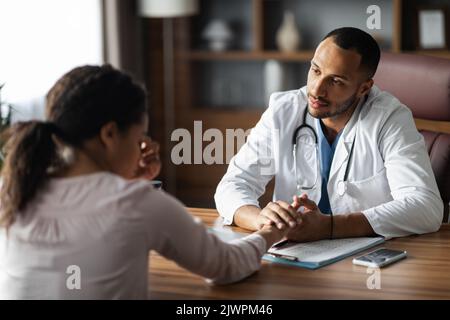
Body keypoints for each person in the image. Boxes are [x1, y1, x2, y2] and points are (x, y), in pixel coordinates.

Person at [0, 65, 292, 299]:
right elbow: (224, 266)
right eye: (139, 137)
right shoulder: (137, 202)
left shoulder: (15, 185)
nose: (143, 146)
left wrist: (126, 177)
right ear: (109, 134)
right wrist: (270, 233)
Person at [215, 27, 443, 241]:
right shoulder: (284, 111)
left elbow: (426, 207)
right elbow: (233, 184)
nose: (316, 89)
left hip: (366, 260)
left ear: (364, 88)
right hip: (294, 254)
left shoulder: (389, 119)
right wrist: (261, 219)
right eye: (315, 70)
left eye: (335, 81)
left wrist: (331, 227)